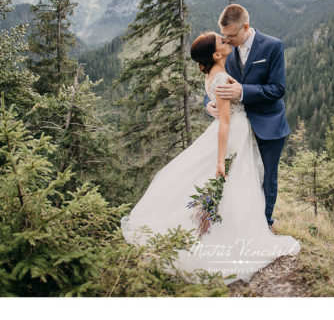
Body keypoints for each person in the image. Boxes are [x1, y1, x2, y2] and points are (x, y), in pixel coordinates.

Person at [120, 31, 300, 284]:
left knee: (224, 182)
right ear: (216, 54)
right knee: (233, 180)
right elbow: (225, 123)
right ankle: (224, 232)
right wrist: (220, 158)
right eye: (223, 41)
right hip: (233, 133)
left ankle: (213, 224)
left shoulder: (213, 75)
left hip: (234, 130)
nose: (229, 42)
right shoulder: (224, 79)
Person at [205, 4, 290, 232]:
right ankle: (242, 224)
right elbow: (217, 80)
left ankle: (265, 225)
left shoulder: (273, 46)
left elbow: (278, 89)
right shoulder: (228, 50)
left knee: (267, 177)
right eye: (224, 35)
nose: (227, 40)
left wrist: (243, 92)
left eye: (232, 35)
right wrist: (210, 104)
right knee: (241, 178)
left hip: (269, 125)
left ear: (246, 27)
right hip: (238, 129)